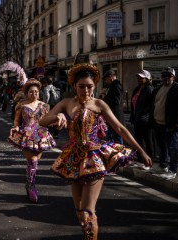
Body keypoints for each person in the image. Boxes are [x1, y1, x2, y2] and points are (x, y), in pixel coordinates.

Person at [39, 63, 152, 240]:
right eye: (81, 86)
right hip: (74, 158)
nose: (85, 90)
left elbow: (120, 129)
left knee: (87, 212)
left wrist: (141, 150)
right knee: (78, 212)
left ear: (95, 86)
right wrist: (58, 116)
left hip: (94, 158)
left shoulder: (99, 104)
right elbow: (42, 121)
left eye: (89, 86)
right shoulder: (66, 103)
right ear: (74, 86)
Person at [8, 79, 56, 203]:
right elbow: (17, 121)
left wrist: (59, 120)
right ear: (27, 93)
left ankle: (29, 183)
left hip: (41, 135)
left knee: (35, 162)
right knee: (32, 160)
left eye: (36, 92)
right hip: (27, 135)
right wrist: (16, 127)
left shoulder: (44, 105)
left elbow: (48, 119)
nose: (34, 94)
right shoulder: (21, 105)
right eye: (31, 92)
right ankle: (31, 187)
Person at [150, 67, 178, 180]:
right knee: (162, 146)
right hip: (158, 122)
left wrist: (177, 122)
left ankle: (173, 170)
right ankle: (163, 166)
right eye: (164, 75)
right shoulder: (158, 88)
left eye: (168, 75)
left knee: (172, 148)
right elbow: (153, 104)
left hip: (170, 124)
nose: (166, 78)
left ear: (173, 77)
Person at [130, 70, 154, 170]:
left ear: (147, 79)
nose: (139, 79)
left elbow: (152, 105)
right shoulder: (137, 88)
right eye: (138, 78)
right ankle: (140, 160)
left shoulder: (149, 89)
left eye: (141, 78)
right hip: (137, 118)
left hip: (145, 119)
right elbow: (133, 103)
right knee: (138, 140)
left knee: (148, 141)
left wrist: (145, 114)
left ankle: (149, 161)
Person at [101, 70, 124, 144]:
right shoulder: (112, 86)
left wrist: (105, 97)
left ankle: (120, 154)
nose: (105, 81)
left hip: (115, 114)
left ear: (110, 77)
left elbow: (117, 101)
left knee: (117, 136)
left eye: (106, 79)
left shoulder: (116, 86)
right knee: (111, 136)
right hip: (111, 114)